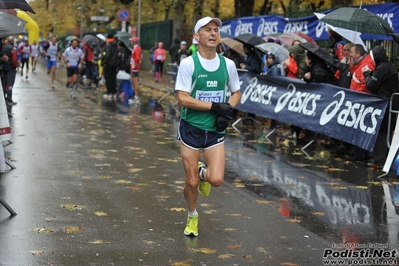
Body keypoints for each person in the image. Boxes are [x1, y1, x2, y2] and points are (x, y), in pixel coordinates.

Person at [175, 16, 241, 237]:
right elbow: (183, 99)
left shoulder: (228, 64)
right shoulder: (188, 63)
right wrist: (215, 106)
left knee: (217, 180)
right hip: (191, 128)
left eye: (215, 30)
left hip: (215, 130)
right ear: (197, 36)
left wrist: (227, 110)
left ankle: (204, 173)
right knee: (190, 181)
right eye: (207, 30)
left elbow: (236, 93)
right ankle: (192, 215)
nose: (213, 33)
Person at [363, 45, 399, 167]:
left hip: (385, 103)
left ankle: (379, 161)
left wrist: (367, 74)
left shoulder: (382, 68)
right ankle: (385, 159)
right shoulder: (389, 66)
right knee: (387, 131)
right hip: (391, 103)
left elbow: (371, 85)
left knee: (382, 132)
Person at [0, 36, 18, 105]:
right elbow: (14, 59)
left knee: (4, 83)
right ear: (12, 41)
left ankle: (4, 98)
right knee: (10, 84)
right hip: (11, 68)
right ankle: (9, 99)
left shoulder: (3, 47)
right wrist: (15, 66)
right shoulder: (13, 48)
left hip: (4, 67)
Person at [101, 33, 119, 99]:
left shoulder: (107, 46)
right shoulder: (116, 45)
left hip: (108, 64)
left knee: (108, 78)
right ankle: (114, 92)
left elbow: (107, 54)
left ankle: (109, 92)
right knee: (113, 78)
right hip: (115, 64)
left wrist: (104, 62)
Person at [130, 36, 142, 102]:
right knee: (134, 81)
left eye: (131, 41)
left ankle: (136, 96)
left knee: (135, 81)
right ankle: (135, 95)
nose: (131, 42)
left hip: (135, 67)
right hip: (134, 66)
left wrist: (135, 65)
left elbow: (137, 58)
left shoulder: (136, 48)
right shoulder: (135, 47)